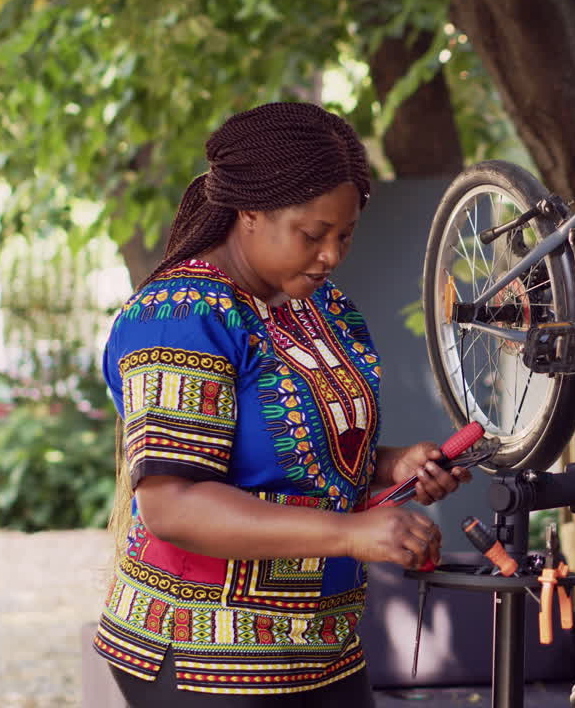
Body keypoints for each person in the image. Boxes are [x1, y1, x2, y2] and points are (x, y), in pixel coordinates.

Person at [93, 101, 472, 707]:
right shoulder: (179, 317)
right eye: (313, 235)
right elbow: (173, 503)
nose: (332, 255)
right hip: (204, 651)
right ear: (249, 212)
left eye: (345, 234)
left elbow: (297, 457)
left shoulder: (325, 309)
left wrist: (391, 465)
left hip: (321, 644)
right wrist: (350, 533)